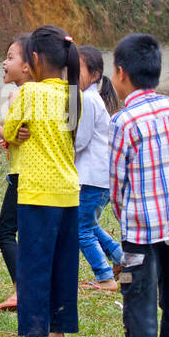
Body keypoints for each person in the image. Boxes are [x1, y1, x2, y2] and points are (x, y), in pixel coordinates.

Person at [108, 33, 169, 337]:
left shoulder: (123, 121)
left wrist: (122, 214)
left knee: (137, 300)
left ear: (121, 73)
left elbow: (116, 182)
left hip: (140, 229)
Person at [1, 25, 83, 337]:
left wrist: (17, 129)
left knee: (34, 266)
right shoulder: (72, 94)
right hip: (69, 192)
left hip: (37, 193)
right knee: (64, 265)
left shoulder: (30, 94)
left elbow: (9, 128)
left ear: (34, 59)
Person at [0, 34, 33, 310]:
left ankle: (21, 289)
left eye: (11, 57)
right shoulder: (36, 94)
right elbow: (18, 137)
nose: (4, 62)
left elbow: (17, 137)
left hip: (22, 175)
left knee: (4, 231)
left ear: (27, 65)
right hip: (26, 173)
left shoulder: (19, 95)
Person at [74, 45, 124, 292]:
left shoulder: (87, 99)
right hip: (101, 178)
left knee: (79, 228)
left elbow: (80, 141)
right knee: (88, 223)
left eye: (77, 68)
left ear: (94, 74)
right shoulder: (91, 98)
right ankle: (120, 257)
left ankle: (104, 277)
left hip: (90, 178)